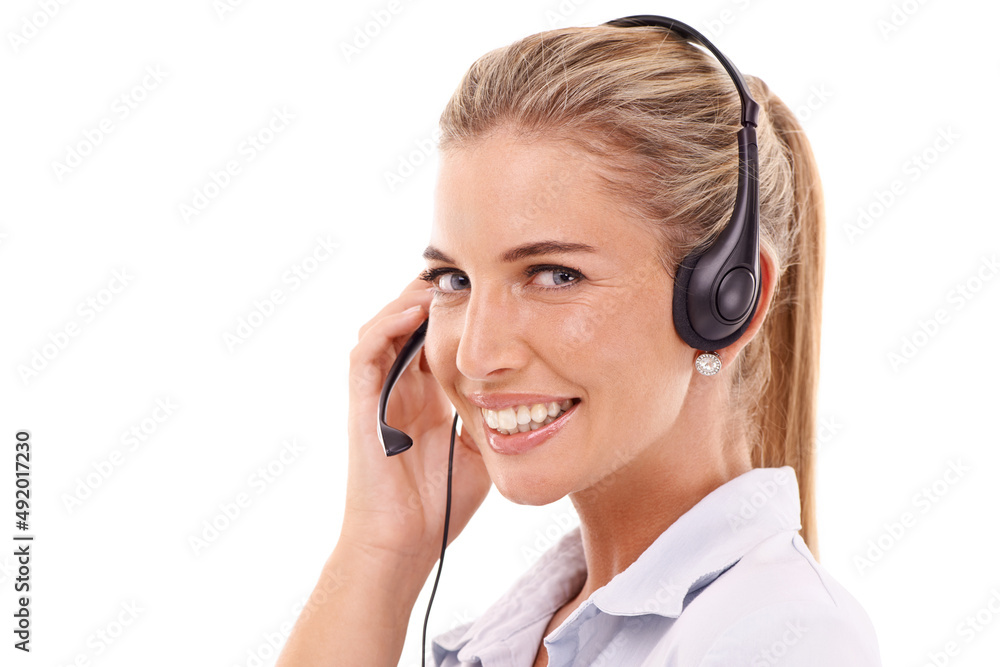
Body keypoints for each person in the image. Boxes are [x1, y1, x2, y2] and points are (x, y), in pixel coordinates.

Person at [277, 18, 882, 667]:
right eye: (454, 278)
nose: (476, 356)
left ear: (728, 300)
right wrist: (382, 550)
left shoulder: (778, 637)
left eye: (554, 274)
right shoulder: (528, 632)